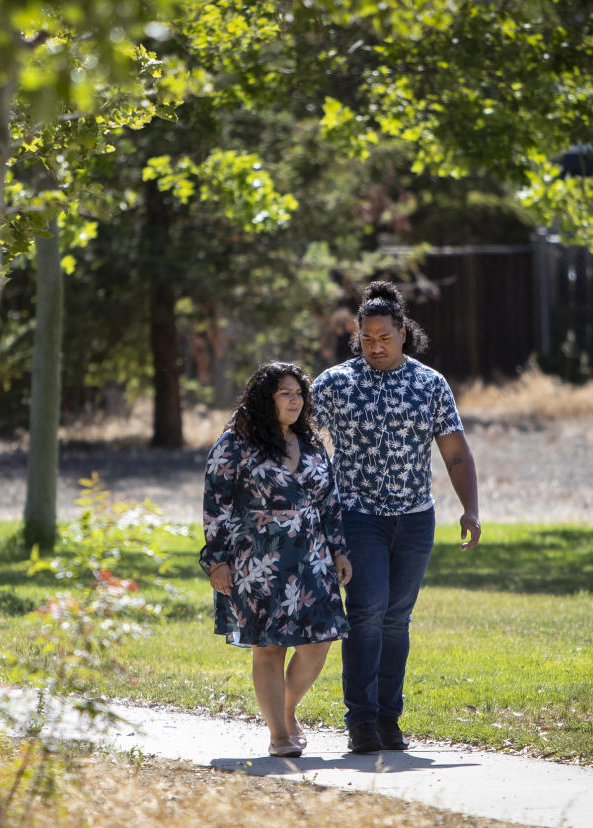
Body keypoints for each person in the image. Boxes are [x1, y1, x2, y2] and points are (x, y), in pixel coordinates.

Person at [311, 281, 481, 755]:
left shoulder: (429, 384)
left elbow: (455, 453)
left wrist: (471, 509)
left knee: (396, 620)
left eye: (384, 337)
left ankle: (389, 718)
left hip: (414, 519)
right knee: (365, 615)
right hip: (357, 516)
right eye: (367, 339)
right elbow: (297, 437)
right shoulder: (334, 384)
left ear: (403, 333)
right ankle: (361, 722)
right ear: (357, 336)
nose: (376, 346)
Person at [201, 362, 354, 758]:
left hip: (312, 558)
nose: (295, 401)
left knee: (318, 642)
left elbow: (330, 500)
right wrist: (217, 561)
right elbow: (215, 504)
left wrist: (339, 549)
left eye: (300, 393)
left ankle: (286, 711)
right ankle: (278, 735)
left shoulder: (313, 442)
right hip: (257, 559)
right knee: (268, 648)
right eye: (285, 393)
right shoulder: (235, 443)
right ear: (265, 399)